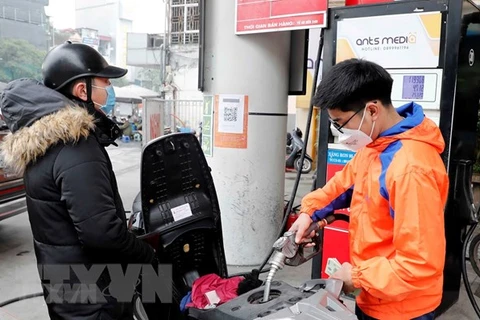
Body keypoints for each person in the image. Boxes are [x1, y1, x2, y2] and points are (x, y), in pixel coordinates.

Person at [0, 42, 156, 319]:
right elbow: (102, 234)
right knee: (161, 290)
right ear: (82, 89)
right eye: (104, 82)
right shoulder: (76, 146)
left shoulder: (45, 141)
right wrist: (147, 254)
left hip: (68, 285)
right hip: (94, 294)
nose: (108, 91)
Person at [290, 59, 448, 320]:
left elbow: (419, 263)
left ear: (372, 111)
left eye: (341, 122)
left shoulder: (411, 168)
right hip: (375, 294)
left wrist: (355, 276)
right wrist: (310, 213)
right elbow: (343, 186)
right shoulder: (376, 147)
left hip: (404, 308)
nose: (338, 131)